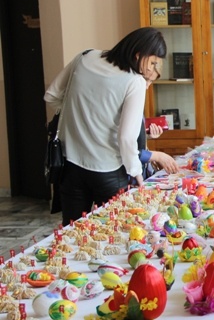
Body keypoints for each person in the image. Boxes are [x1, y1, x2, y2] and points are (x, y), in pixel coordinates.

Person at [44, 27, 167, 226]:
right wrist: (137, 174)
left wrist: (77, 116)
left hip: (71, 166)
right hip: (109, 171)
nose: (152, 69)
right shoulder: (134, 81)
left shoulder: (84, 57)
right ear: (138, 55)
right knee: (116, 236)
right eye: (152, 62)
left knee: (72, 236)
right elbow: (126, 138)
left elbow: (50, 96)